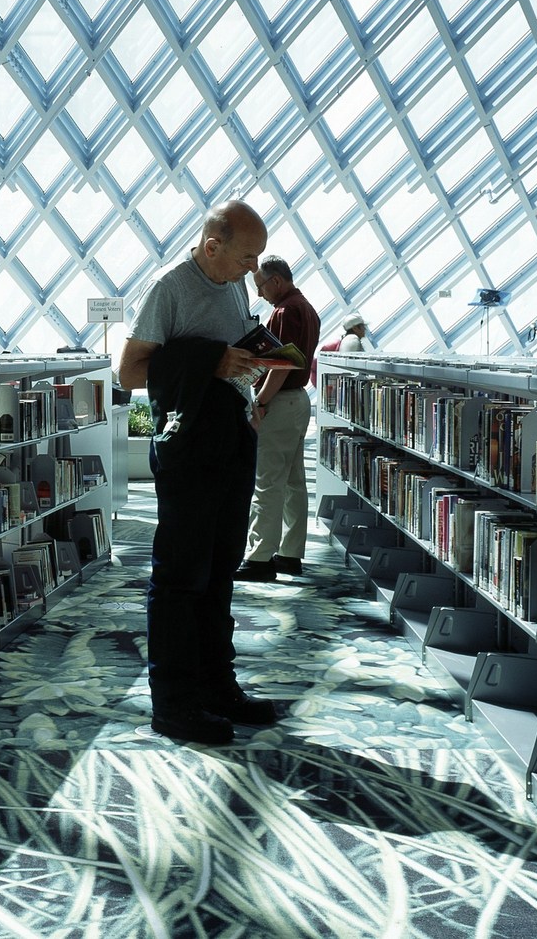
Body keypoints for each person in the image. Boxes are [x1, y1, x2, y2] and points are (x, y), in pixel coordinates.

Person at [119, 201, 276, 746]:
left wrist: (250, 378)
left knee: (221, 568)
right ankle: (174, 703)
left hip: (232, 436)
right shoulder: (170, 288)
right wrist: (211, 359)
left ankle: (216, 685)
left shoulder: (233, 284)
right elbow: (130, 371)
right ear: (213, 246)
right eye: (246, 258)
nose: (253, 270)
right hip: (187, 446)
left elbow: (231, 351)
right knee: (182, 576)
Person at [233, 256, 321, 586]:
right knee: (293, 480)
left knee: (267, 481)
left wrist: (260, 402)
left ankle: (259, 557)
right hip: (299, 400)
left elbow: (279, 364)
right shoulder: (308, 308)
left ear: (276, 281)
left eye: (260, 287)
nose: (260, 294)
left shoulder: (285, 311)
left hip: (280, 402)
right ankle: (290, 552)